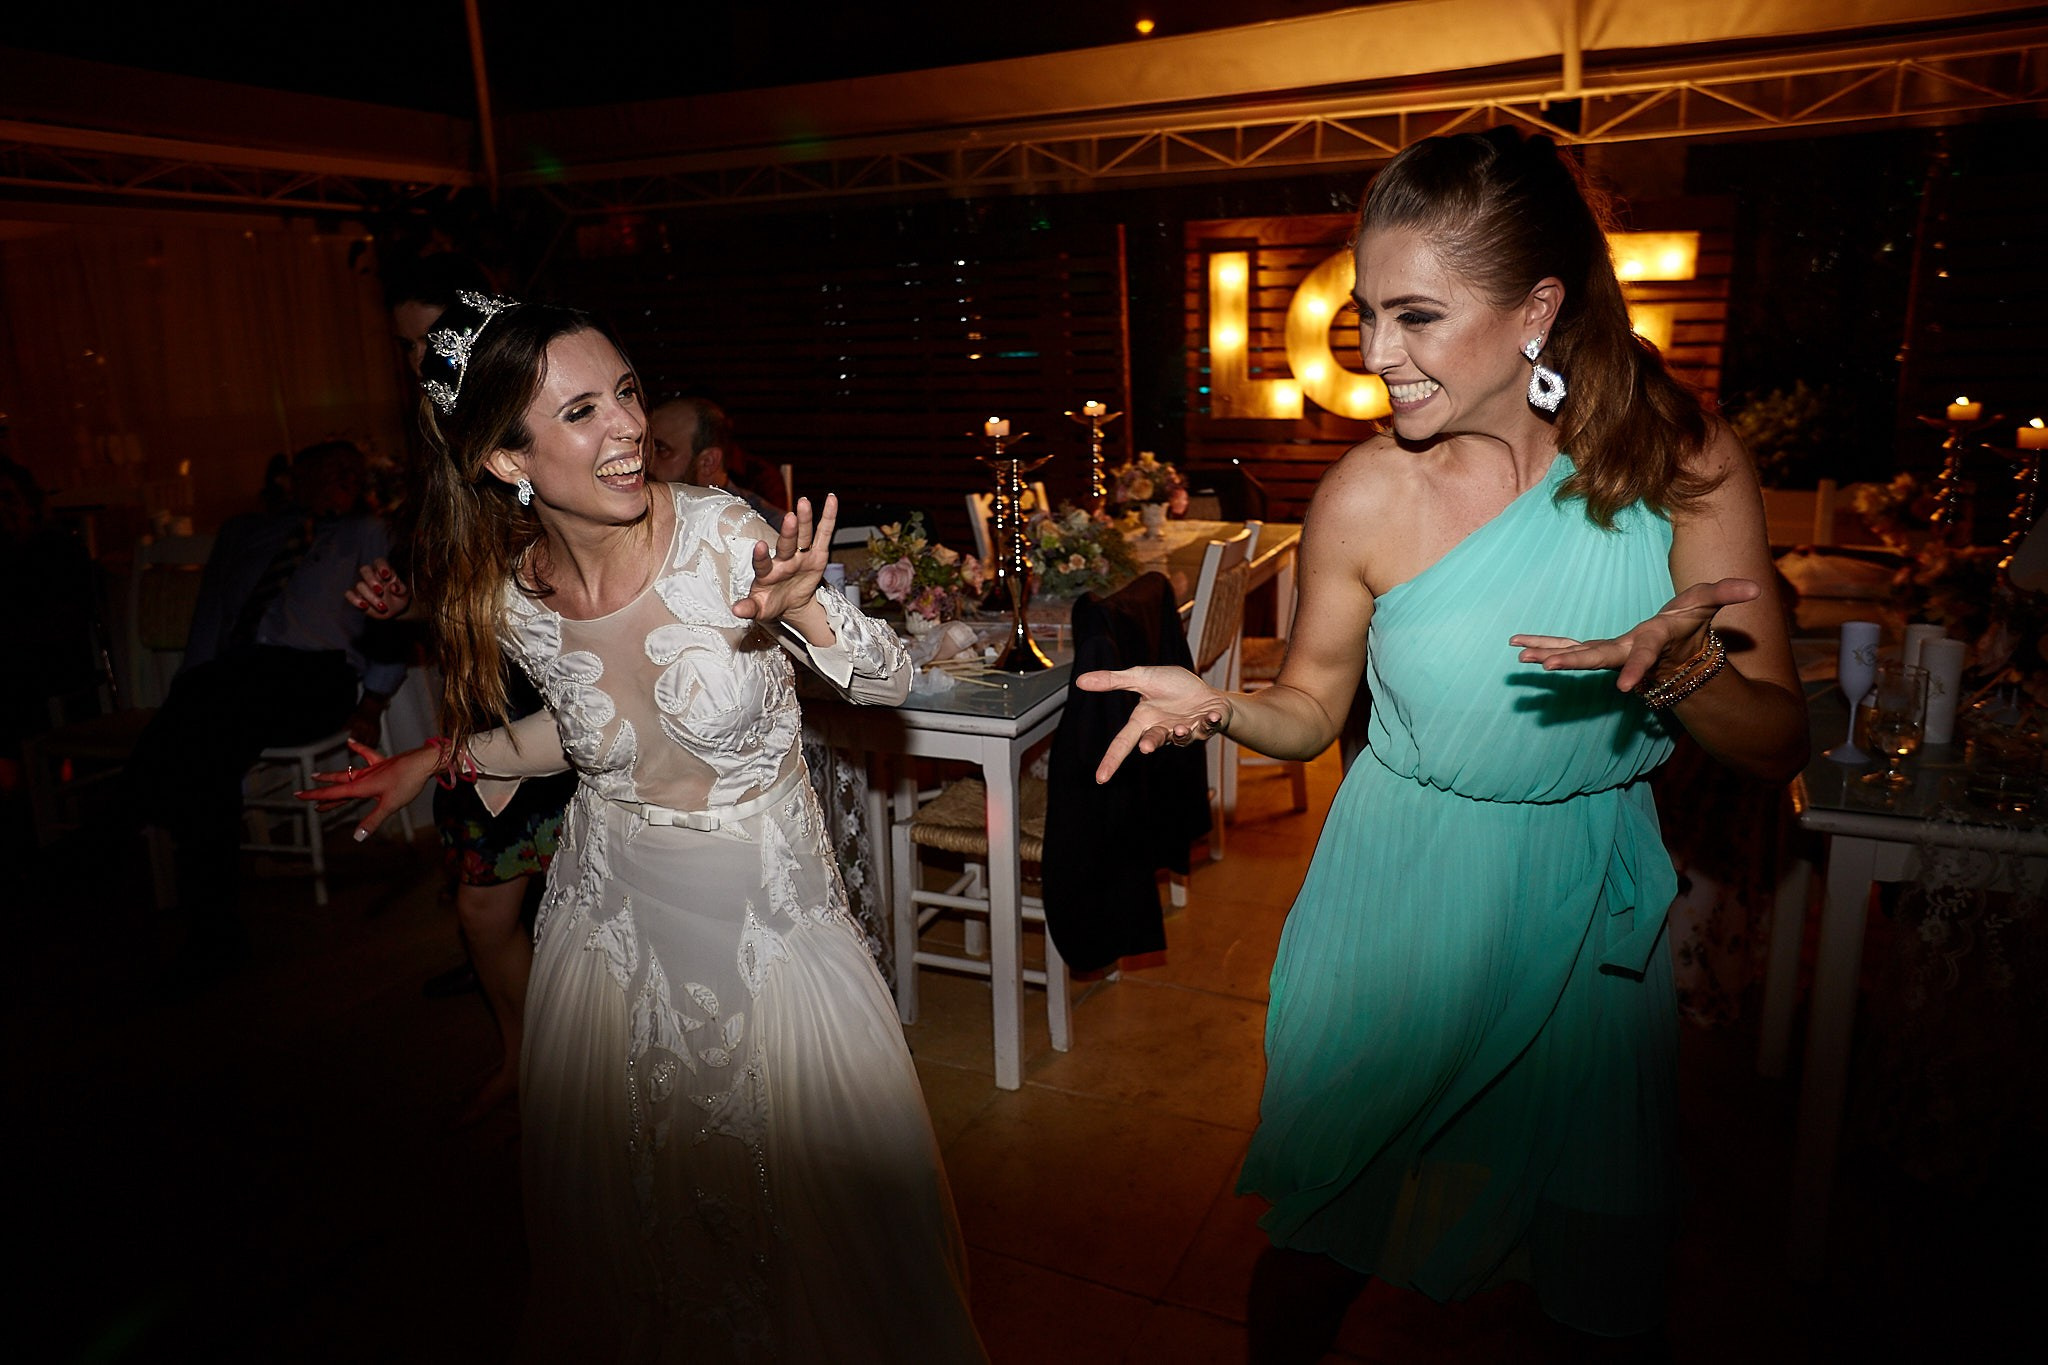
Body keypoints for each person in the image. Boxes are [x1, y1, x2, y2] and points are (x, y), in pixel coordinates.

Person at [1084, 128, 1805, 1359]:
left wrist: (1677, 667)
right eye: (1365, 315)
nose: (1374, 358)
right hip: (1399, 897)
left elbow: (1776, 737)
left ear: (1536, 308)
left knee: (1594, 1259)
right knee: (1323, 1239)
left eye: (1415, 317)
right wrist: (1220, 706)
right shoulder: (1368, 492)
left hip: (1588, 914)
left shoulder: (1680, 463)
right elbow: (1312, 706)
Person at [304, 295, 986, 1361]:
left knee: (812, 1248)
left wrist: (807, 610)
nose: (627, 425)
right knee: (638, 1238)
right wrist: (434, 759)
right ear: (502, 461)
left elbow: (891, 679)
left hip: (766, 938)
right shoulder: (515, 592)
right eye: (582, 410)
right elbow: (579, 736)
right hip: (605, 930)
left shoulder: (723, 533)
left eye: (624, 392)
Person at [369, 252, 580, 1124]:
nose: (417, 359)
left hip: (557, 706)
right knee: (483, 908)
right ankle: (525, 1057)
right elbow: (466, 594)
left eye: (429, 338)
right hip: (482, 702)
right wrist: (406, 601)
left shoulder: (534, 441)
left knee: (568, 901)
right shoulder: (437, 452)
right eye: (406, 345)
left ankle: (582, 1073)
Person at [133, 440, 406, 967]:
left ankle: (128, 819)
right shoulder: (245, 532)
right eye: (329, 471)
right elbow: (210, 619)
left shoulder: (366, 533)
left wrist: (372, 703)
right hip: (233, 675)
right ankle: (214, 927)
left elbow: (390, 619)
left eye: (351, 472)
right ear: (295, 481)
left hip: (314, 675)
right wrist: (190, 688)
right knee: (207, 750)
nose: (342, 479)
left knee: (203, 734)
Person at [647, 395, 788, 520]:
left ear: (708, 462)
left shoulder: (768, 529)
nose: (647, 461)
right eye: (645, 448)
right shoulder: (646, 515)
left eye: (662, 449)